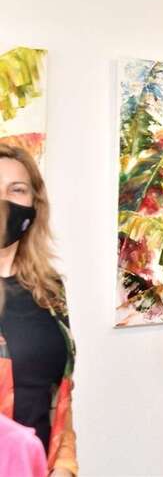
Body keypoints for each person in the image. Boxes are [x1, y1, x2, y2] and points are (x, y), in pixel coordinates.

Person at [0, 144, 78, 477]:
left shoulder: (49, 288)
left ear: (35, 203)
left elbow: (61, 393)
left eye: (16, 190)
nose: (3, 202)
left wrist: (64, 466)